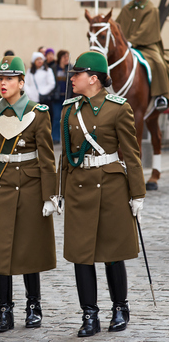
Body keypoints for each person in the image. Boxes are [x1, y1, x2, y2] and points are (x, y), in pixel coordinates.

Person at [0, 56, 57, 332]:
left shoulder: (37, 112)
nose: (3, 83)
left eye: (10, 79)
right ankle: (4, 310)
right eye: (1, 79)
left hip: (30, 185)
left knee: (30, 249)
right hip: (1, 186)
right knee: (0, 251)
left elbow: (47, 158)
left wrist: (50, 195)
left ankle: (33, 306)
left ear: (21, 82)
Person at [60, 51, 146, 337]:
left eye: (78, 74)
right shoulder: (69, 109)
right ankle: (89, 314)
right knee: (81, 254)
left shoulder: (118, 108)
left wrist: (138, 194)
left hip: (110, 188)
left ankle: (120, 307)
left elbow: (131, 154)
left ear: (93, 79)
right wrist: (60, 193)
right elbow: (66, 156)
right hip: (79, 188)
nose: (72, 78)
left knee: (112, 252)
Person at [116, 0, 169, 110]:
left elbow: (145, 31)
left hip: (147, 46)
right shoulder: (126, 9)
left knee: (158, 63)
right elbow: (117, 26)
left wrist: (130, 42)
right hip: (126, 47)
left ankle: (161, 96)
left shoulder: (151, 9)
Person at [51, 50, 72, 144]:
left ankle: (67, 138)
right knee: (56, 118)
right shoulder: (54, 68)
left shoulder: (70, 68)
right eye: (64, 57)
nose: (66, 59)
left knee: (67, 119)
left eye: (67, 57)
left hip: (67, 97)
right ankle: (55, 138)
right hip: (57, 98)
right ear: (60, 58)